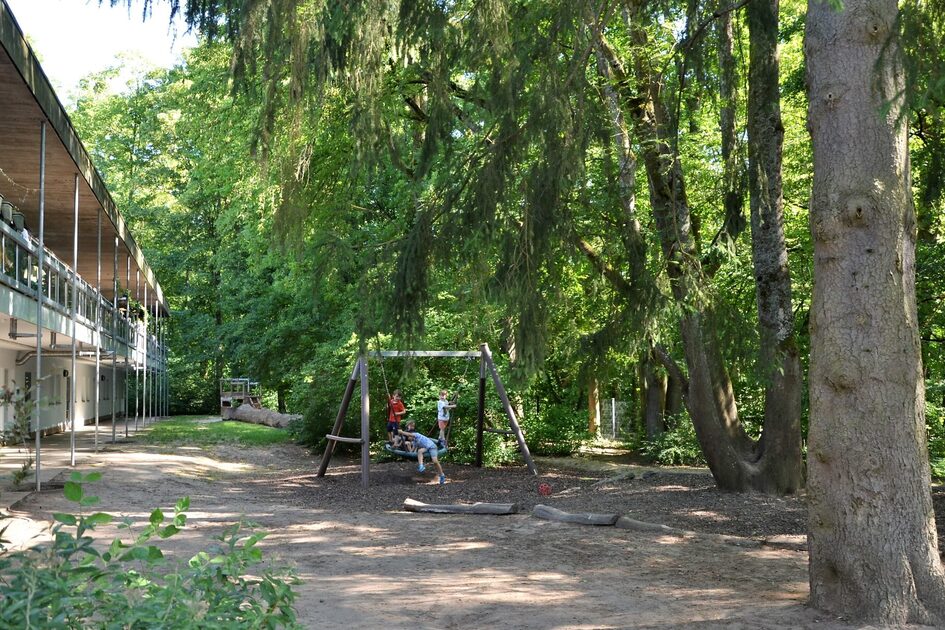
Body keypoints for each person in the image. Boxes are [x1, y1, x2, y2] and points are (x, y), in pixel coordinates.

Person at [398, 420, 446, 484]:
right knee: (420, 451)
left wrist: (401, 432)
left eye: (409, 437)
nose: (409, 438)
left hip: (432, 447)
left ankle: (442, 475)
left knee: (435, 461)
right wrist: (407, 451)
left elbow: (409, 434)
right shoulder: (414, 442)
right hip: (426, 448)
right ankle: (421, 465)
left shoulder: (416, 434)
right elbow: (412, 451)